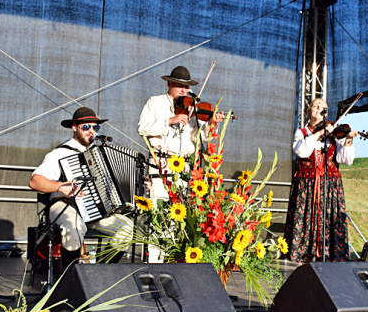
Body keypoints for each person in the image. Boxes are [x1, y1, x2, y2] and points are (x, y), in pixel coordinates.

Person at [137, 66, 224, 263]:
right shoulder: (155, 102)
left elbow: (200, 136)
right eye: (180, 86)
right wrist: (170, 120)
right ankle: (155, 264)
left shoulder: (191, 107)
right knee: (159, 214)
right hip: (161, 161)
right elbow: (142, 127)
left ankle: (173, 263)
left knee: (179, 215)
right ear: (169, 84)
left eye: (186, 86)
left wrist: (212, 124)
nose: (184, 90)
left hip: (184, 166)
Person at [29, 107, 134, 269]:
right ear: (74, 127)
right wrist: (60, 186)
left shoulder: (99, 156)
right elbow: (35, 182)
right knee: (74, 226)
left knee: (126, 228)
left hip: (94, 211)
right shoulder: (59, 153)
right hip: (65, 205)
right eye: (86, 127)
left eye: (95, 127)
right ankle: (70, 278)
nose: (91, 131)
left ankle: (99, 273)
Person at [284, 97, 357, 263]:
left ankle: (331, 253)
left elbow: (346, 160)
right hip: (307, 185)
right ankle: (302, 252)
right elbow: (301, 151)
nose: (319, 108)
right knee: (305, 217)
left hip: (330, 185)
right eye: (315, 106)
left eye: (323, 107)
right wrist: (317, 134)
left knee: (330, 218)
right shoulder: (302, 133)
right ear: (309, 111)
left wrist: (348, 139)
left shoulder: (334, 136)